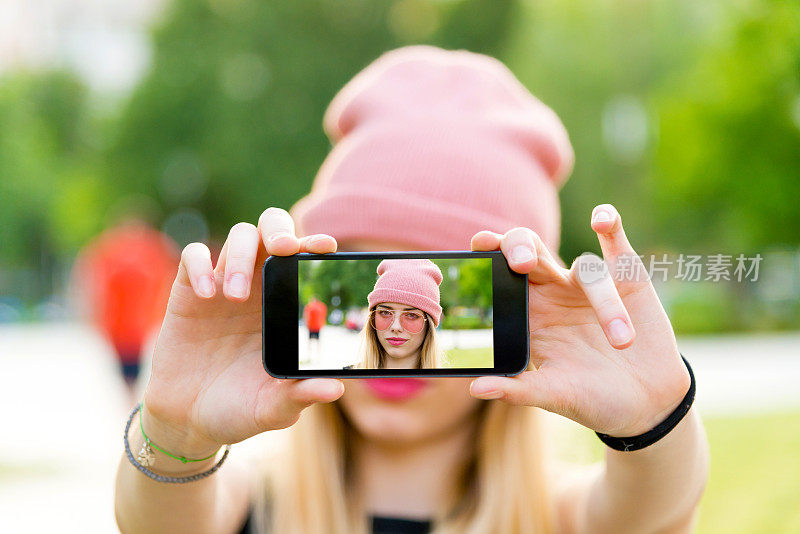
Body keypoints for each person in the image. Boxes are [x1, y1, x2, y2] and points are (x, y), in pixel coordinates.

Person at [115, 46, 709, 534]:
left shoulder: (560, 515)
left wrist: (656, 420)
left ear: (519, 314)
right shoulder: (245, 502)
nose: (397, 333)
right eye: (371, 287)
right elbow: (159, 523)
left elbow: (655, 511)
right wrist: (175, 435)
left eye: (434, 303)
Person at [72, 218, 178, 403]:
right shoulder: (119, 250)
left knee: (132, 373)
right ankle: (133, 405)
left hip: (135, 326)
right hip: (124, 326)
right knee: (131, 372)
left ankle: (132, 404)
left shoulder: (115, 248)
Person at [351, 259, 446, 370]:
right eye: (385, 313)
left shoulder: (449, 386)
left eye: (411, 315)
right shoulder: (342, 384)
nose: (396, 327)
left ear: (428, 325)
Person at [302, 296, 327, 364]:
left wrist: (306, 324)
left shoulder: (309, 306)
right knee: (318, 342)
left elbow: (305, 316)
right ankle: (317, 357)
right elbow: (324, 315)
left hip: (311, 327)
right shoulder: (321, 306)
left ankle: (309, 357)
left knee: (309, 342)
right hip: (318, 327)